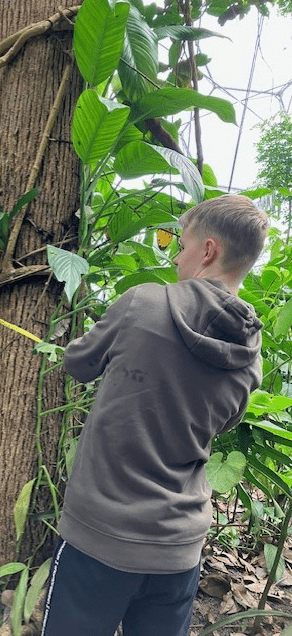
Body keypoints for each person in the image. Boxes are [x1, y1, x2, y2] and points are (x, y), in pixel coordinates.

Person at [40, 194, 269, 636]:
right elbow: (222, 423)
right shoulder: (250, 358)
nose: (178, 257)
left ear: (208, 251)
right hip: (178, 549)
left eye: (182, 245)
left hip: (99, 537)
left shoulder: (142, 303)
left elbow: (78, 363)